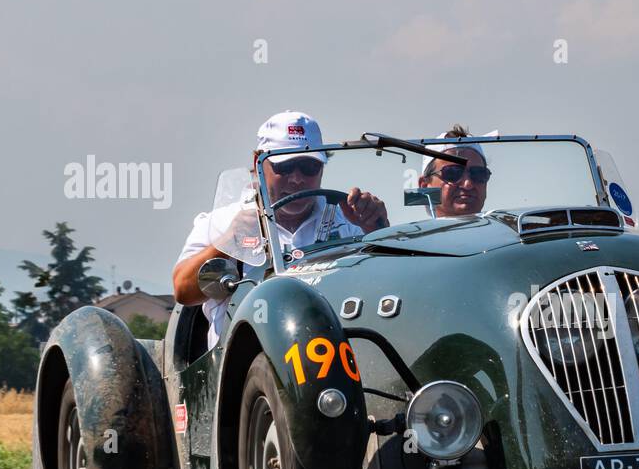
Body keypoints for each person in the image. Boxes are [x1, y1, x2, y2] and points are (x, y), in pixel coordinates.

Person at [173, 111, 388, 348]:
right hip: (245, 367)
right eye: (285, 166)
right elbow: (183, 291)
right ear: (258, 163)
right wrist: (229, 242)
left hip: (336, 360)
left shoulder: (351, 221)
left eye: (308, 166)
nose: (296, 179)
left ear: (322, 167)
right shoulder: (222, 222)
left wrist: (377, 230)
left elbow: (387, 290)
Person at [418, 125, 495, 217]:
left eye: (478, 174)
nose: (468, 184)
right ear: (425, 186)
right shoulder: (407, 230)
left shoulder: (512, 229)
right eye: (453, 173)